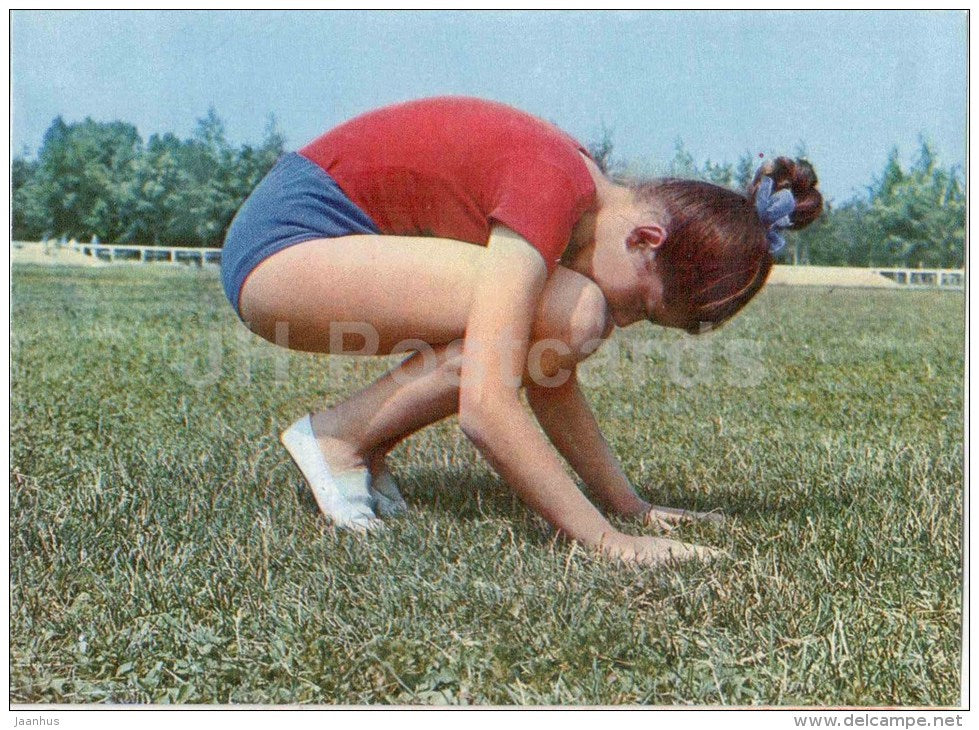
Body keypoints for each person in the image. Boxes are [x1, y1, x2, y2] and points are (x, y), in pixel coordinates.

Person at [220, 96, 823, 566]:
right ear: (645, 240)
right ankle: (336, 439)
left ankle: (357, 442)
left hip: (303, 251)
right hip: (282, 254)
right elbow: (486, 407)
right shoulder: (554, 183)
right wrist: (609, 542)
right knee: (573, 310)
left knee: (550, 320)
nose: (621, 323)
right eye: (638, 307)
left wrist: (630, 506)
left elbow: (548, 377)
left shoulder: (581, 188)